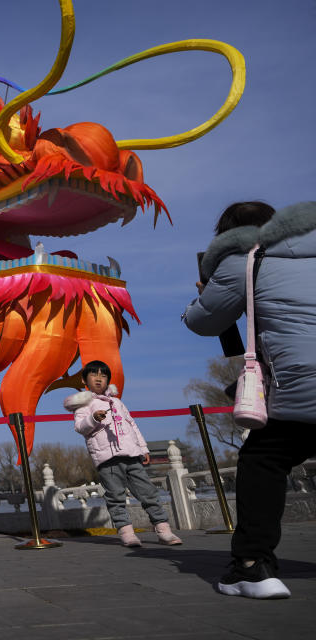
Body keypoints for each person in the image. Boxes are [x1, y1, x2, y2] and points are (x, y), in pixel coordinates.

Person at [183, 200, 316, 599]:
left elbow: (203, 321)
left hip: (302, 383)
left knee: (265, 458)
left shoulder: (246, 258)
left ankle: (250, 566)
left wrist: (204, 295)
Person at [64, 361, 183, 548]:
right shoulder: (84, 404)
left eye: (103, 376)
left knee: (148, 493)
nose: (98, 379)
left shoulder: (117, 402)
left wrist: (143, 448)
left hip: (131, 454)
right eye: (94, 375)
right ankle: (126, 532)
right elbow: (80, 427)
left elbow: (132, 425)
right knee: (115, 497)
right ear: (84, 379)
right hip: (107, 459)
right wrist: (94, 418)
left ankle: (163, 529)